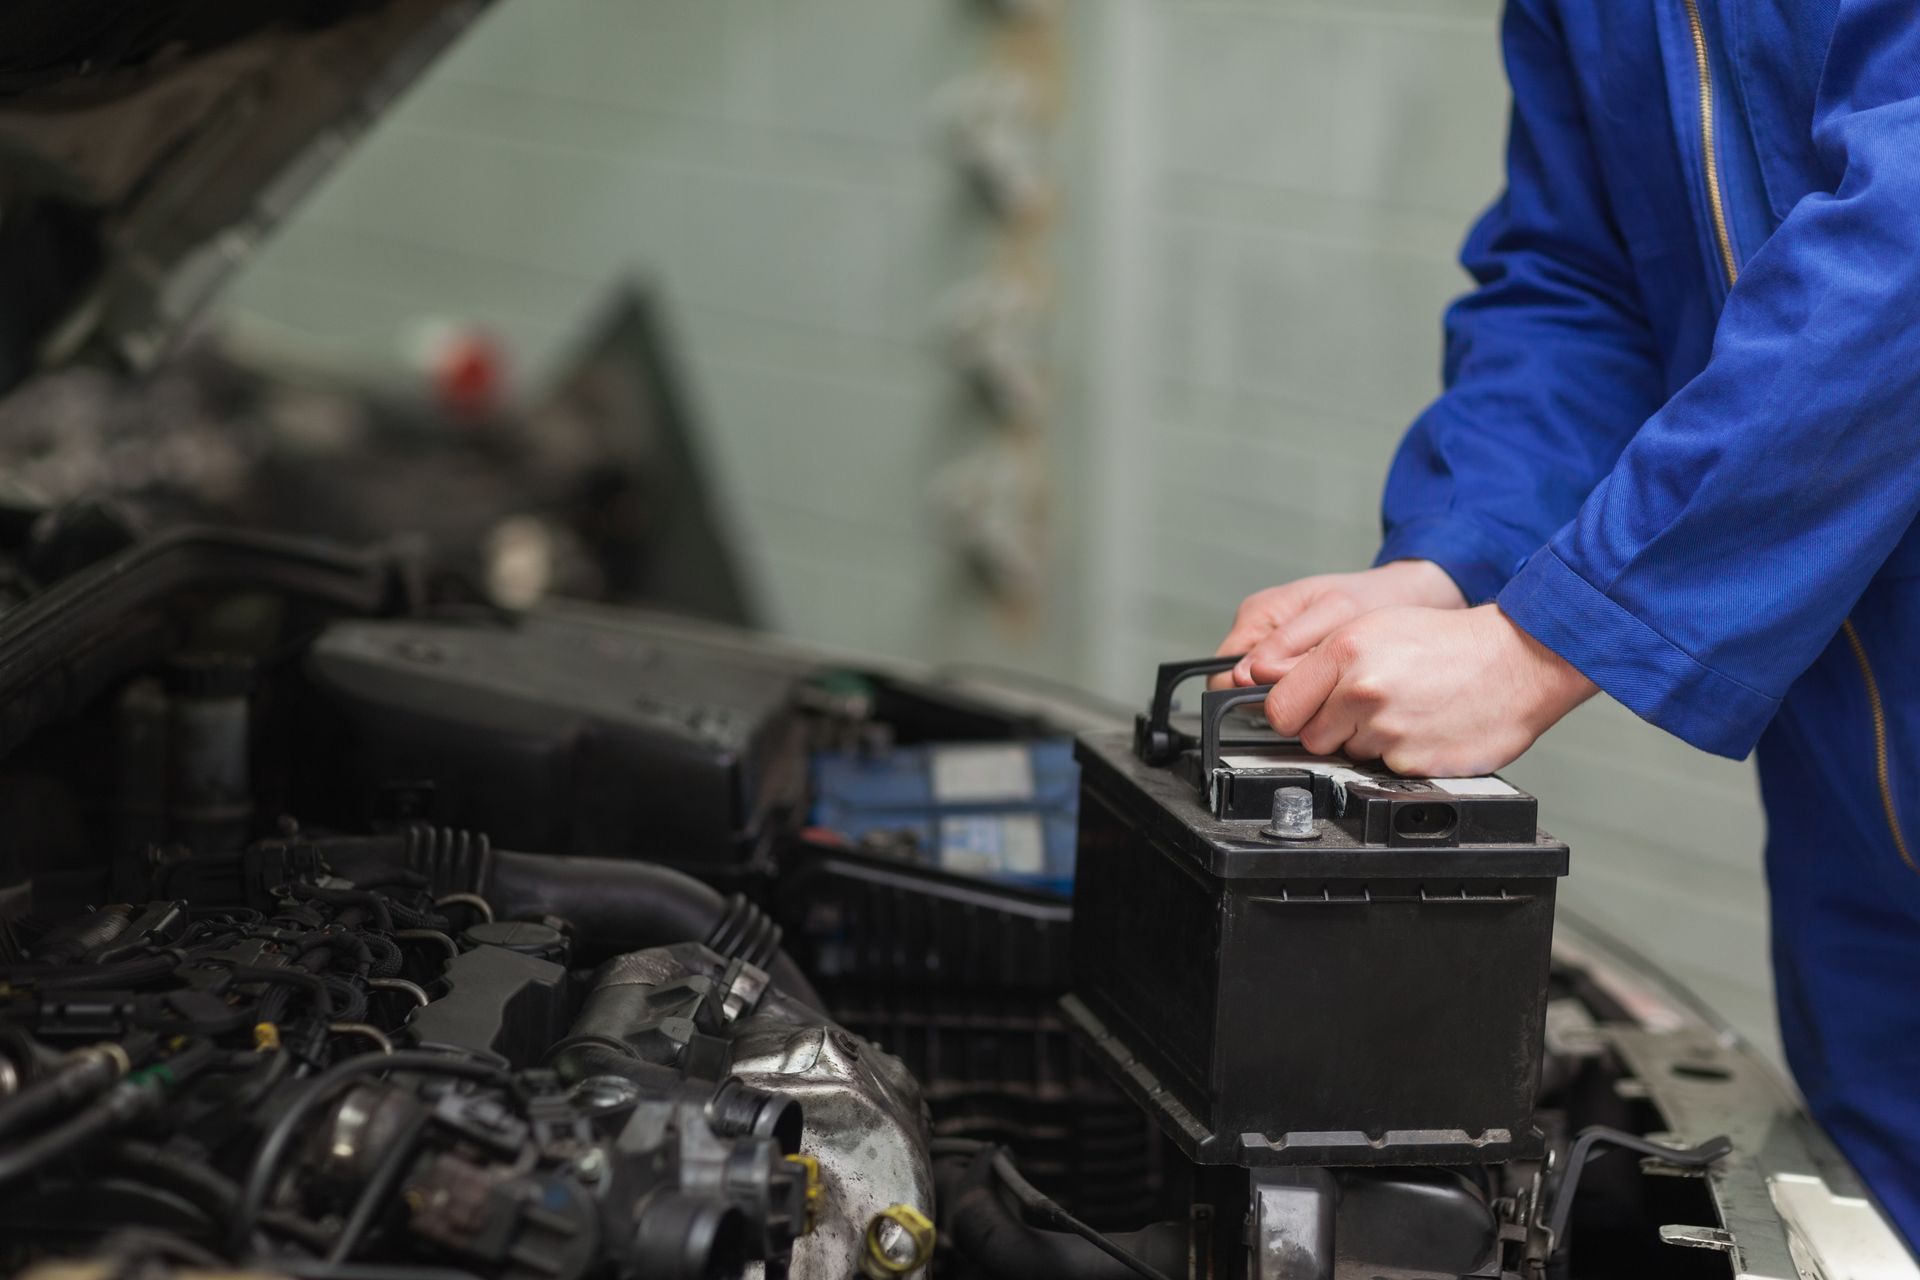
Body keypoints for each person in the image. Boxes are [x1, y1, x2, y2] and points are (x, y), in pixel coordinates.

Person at [1212, 0, 1920, 1249]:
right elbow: (1582, 285)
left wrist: (1535, 644)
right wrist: (1453, 562)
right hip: (1862, 839)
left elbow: (1905, 245)